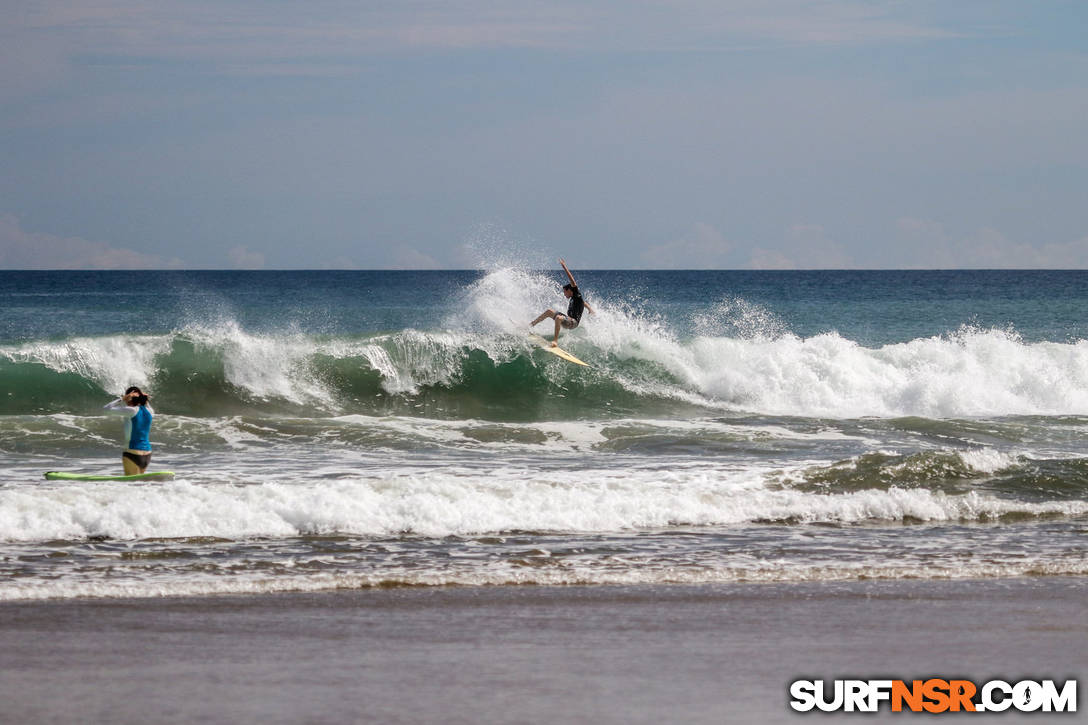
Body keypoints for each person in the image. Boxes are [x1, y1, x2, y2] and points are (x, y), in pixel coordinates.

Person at [531, 258, 594, 346]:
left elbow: (573, 281)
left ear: (570, 290)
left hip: (573, 323)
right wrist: (590, 309)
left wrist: (564, 266)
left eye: (565, 292)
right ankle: (530, 325)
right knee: (549, 311)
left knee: (558, 318)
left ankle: (555, 341)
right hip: (568, 320)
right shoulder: (576, 298)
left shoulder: (576, 294)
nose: (564, 294)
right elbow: (583, 302)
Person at [104, 386, 154, 475]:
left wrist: (121, 399)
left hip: (132, 452)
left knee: (131, 484)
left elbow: (106, 409)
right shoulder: (150, 411)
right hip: (147, 454)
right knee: (139, 485)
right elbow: (145, 403)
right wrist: (144, 398)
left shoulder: (131, 410)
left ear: (129, 398)